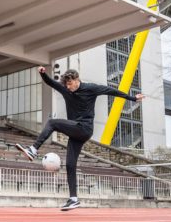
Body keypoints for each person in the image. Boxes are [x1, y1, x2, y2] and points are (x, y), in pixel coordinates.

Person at [16, 66, 144, 211]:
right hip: (75, 131)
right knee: (70, 164)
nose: (68, 87)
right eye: (66, 85)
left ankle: (33, 149)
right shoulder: (65, 89)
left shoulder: (91, 88)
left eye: (70, 84)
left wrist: (133, 98)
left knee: (53, 122)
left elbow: (111, 91)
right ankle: (73, 199)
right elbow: (51, 83)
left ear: (77, 80)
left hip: (84, 128)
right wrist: (43, 74)